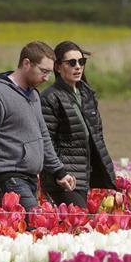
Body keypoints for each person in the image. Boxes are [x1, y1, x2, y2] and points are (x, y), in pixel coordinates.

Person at [0, 41, 75, 213]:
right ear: (27, 64)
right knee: (36, 225)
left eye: (49, 73)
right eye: (43, 71)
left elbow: (42, 135)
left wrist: (59, 171)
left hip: (31, 178)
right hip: (8, 178)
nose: (47, 78)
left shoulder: (33, 94)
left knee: (30, 231)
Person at [40, 40, 117, 209]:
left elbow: (97, 137)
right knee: (77, 222)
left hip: (83, 175)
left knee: (77, 225)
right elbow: (46, 141)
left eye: (81, 62)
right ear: (58, 67)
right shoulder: (50, 97)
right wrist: (59, 172)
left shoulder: (86, 94)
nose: (78, 67)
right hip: (62, 178)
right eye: (72, 62)